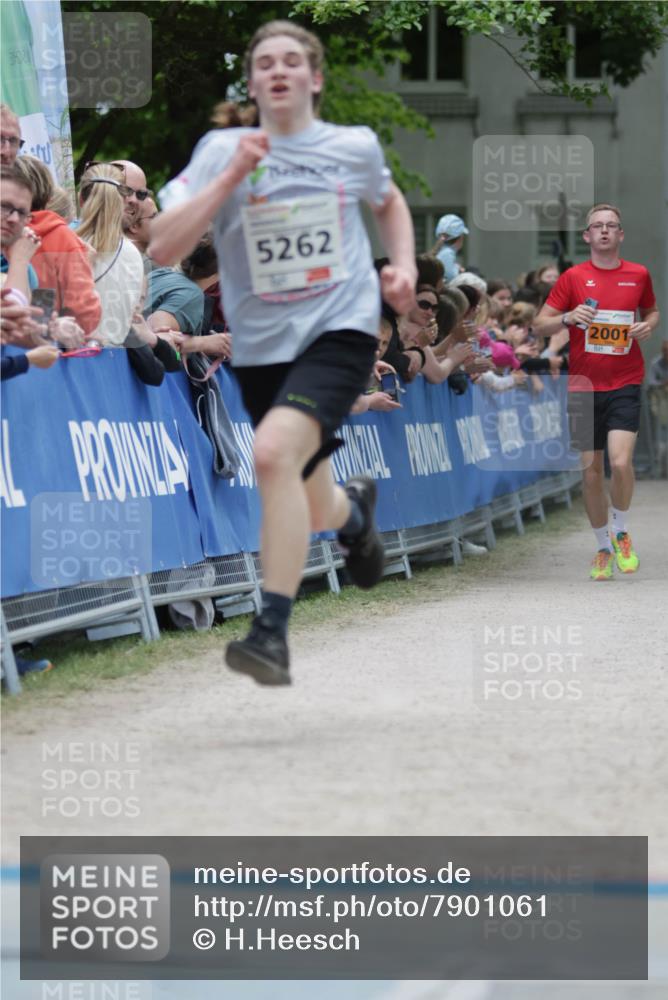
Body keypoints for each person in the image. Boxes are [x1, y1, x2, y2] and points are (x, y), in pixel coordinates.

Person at [150, 19, 416, 685]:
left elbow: (389, 202)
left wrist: (405, 267)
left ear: (314, 78)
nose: (278, 70)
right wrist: (230, 178)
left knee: (270, 453)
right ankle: (354, 515)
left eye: (292, 60)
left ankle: (270, 631)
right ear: (251, 81)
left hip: (340, 331)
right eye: (264, 61)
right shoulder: (222, 150)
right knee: (310, 494)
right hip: (262, 347)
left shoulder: (350, 146)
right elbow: (163, 246)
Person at [534, 203, 660, 580]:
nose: (605, 230)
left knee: (619, 463)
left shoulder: (638, 274)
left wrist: (648, 326)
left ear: (621, 234)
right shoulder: (572, 277)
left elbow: (651, 311)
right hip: (583, 386)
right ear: (587, 235)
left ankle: (620, 531)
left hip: (625, 380)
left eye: (612, 225)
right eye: (598, 226)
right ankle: (602, 548)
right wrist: (567, 317)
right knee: (591, 472)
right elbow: (539, 325)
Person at [433, 213, 468, 281]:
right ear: (460, 237)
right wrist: (460, 272)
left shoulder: (443, 252)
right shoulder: (447, 253)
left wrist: (456, 267)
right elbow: (451, 279)